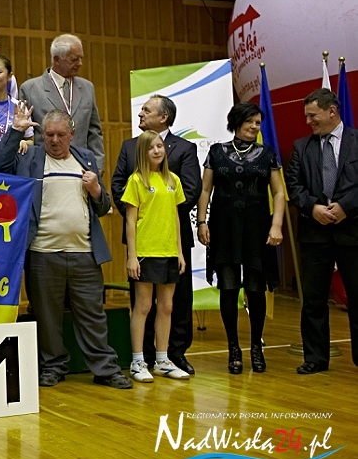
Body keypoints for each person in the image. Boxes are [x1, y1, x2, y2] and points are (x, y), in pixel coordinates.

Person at [0, 106, 132, 390]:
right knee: (47, 317)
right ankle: (53, 367)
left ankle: (106, 368)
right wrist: (16, 131)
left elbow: (103, 206)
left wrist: (96, 190)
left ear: (72, 135)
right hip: (43, 254)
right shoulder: (29, 157)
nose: (54, 140)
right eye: (49, 134)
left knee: (93, 316)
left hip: (85, 254)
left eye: (60, 135)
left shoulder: (86, 158)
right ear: (42, 134)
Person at [110, 95, 201, 374]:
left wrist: (161, 210)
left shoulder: (184, 149)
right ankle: (142, 357)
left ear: (164, 117)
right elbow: (118, 185)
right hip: (142, 240)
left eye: (147, 110)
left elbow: (191, 190)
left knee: (174, 303)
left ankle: (172, 354)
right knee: (143, 303)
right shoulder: (130, 147)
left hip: (172, 239)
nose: (140, 113)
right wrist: (141, 212)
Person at [196, 102, 285, 374]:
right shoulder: (216, 152)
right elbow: (205, 190)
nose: (255, 127)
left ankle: (256, 346)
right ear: (236, 122)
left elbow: (279, 192)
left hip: (258, 227)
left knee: (256, 288)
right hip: (223, 227)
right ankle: (233, 348)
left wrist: (277, 225)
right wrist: (201, 222)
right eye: (250, 122)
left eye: (258, 123)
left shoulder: (267, 153)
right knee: (229, 287)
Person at [285, 88, 358, 374]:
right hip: (315, 234)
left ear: (332, 111)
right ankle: (315, 358)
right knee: (313, 300)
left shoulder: (356, 141)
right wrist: (313, 207)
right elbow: (293, 185)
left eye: (312, 115)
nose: (308, 122)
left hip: (352, 231)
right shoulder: (302, 146)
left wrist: (346, 207)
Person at [121, 131, 189, 383]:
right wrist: (132, 256)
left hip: (169, 251)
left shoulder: (173, 180)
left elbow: (176, 219)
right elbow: (130, 221)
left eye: (160, 146)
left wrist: (179, 252)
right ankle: (138, 361)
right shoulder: (136, 180)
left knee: (167, 306)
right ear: (143, 152)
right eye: (151, 148)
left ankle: (162, 359)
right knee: (143, 306)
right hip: (146, 252)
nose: (157, 151)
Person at [19, 34, 105, 171]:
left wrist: (98, 165)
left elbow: (94, 130)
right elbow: (26, 133)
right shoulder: (30, 89)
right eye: (74, 59)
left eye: (81, 58)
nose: (80, 63)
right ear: (57, 60)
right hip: (45, 167)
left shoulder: (87, 87)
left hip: (82, 167)